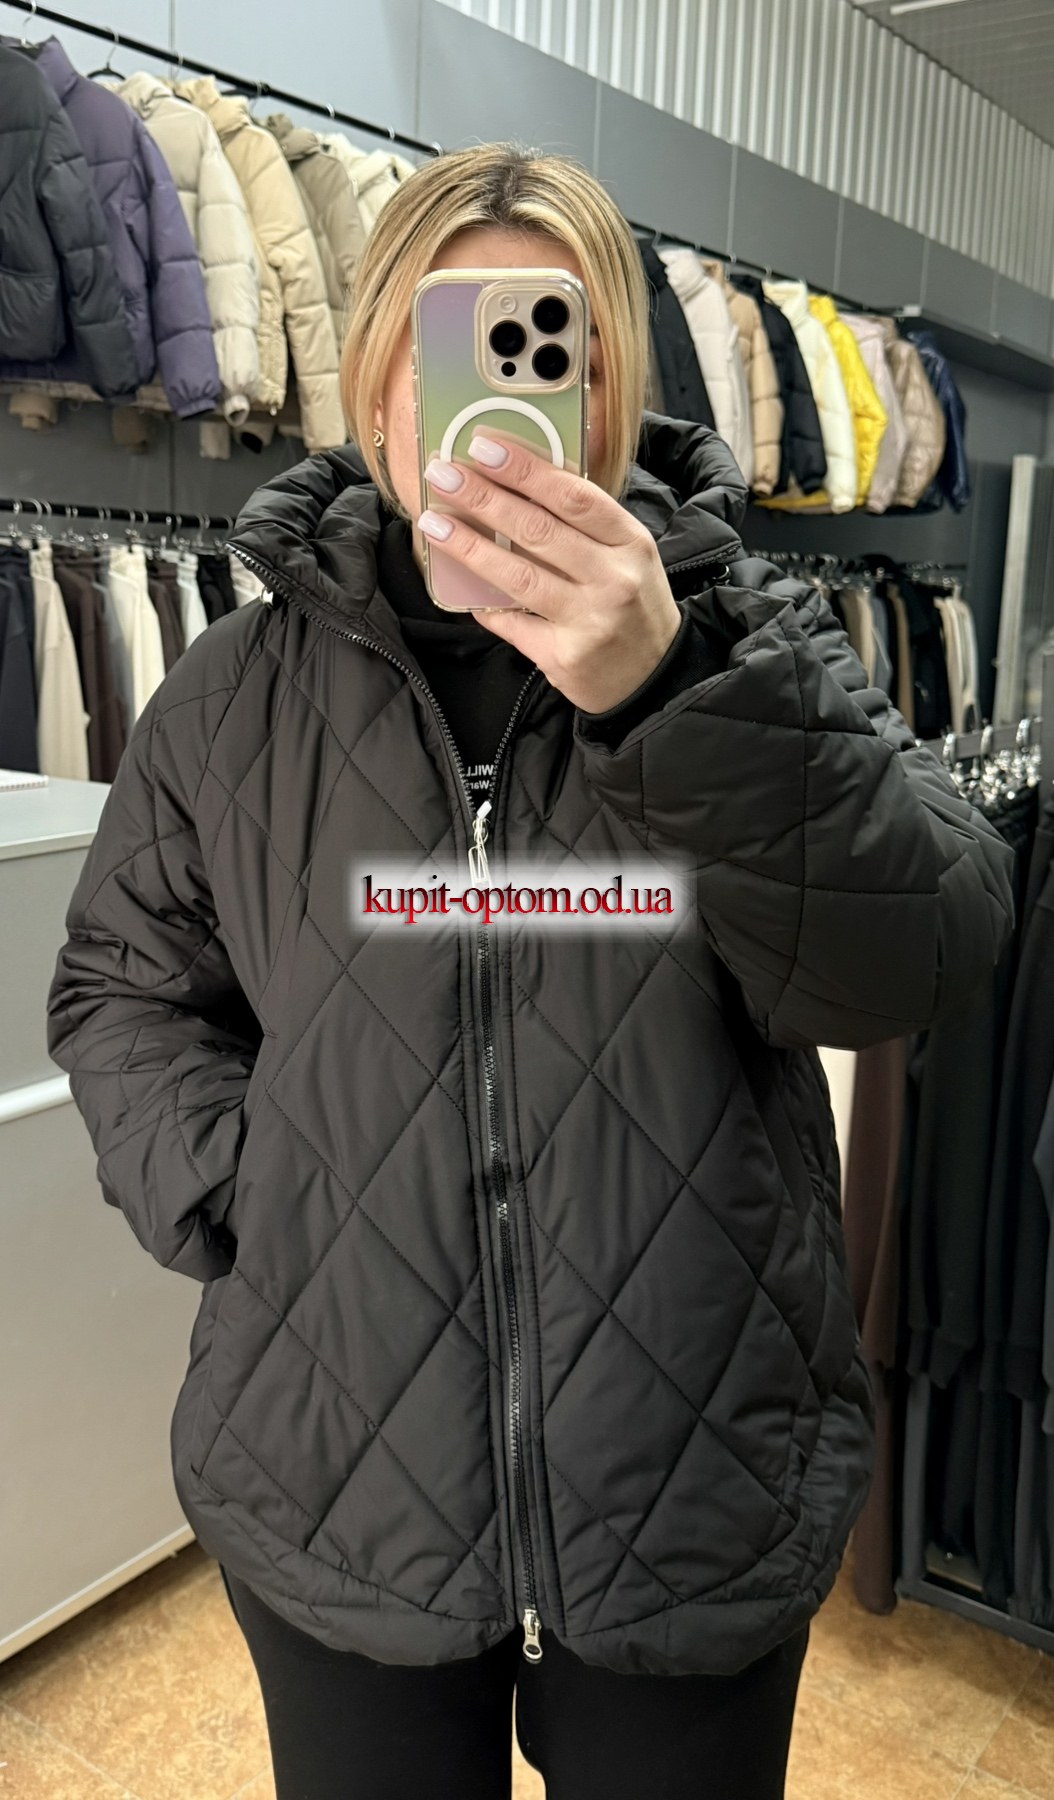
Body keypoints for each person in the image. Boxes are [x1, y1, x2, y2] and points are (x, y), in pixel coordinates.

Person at [46, 142, 1015, 1800]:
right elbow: (121, 986)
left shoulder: (753, 642)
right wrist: (245, 1186)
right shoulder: (233, 692)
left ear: (610, 382)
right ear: (374, 375)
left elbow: (919, 955)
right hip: (341, 1472)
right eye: (450, 339)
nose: (490, 396)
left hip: (690, 1481)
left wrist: (672, 692)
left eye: (544, 336)